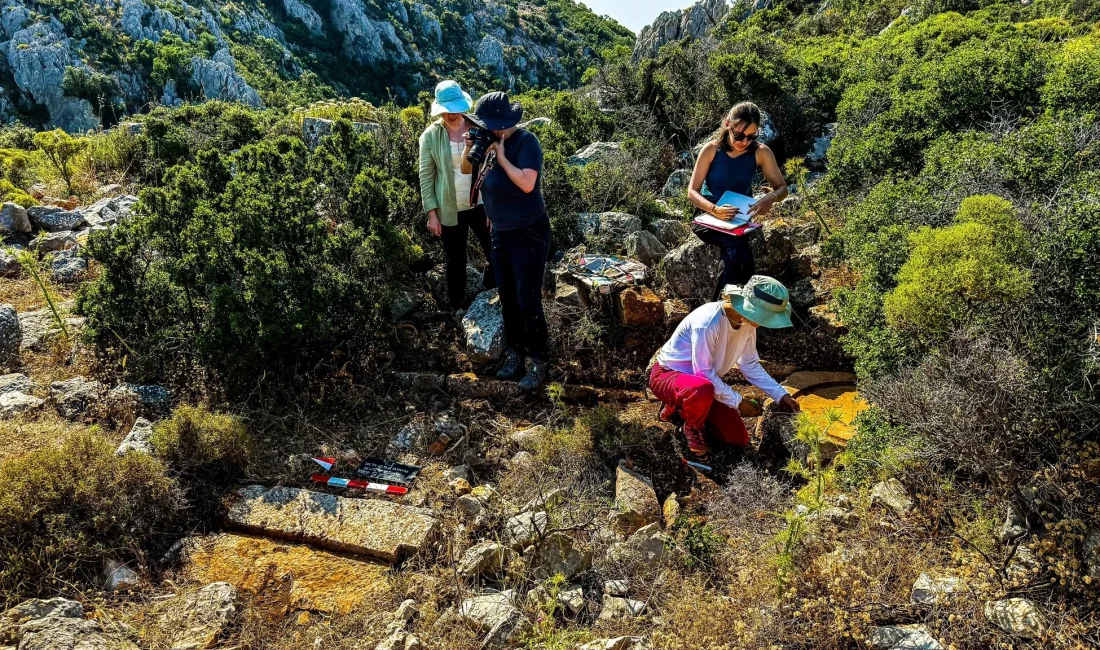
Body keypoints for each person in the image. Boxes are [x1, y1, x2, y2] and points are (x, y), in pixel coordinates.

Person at [649, 276, 800, 459]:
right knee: (702, 389)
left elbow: (749, 364)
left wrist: (780, 394)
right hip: (669, 377)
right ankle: (691, 426)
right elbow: (703, 373)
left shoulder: (747, 324)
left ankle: (681, 408)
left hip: (702, 387)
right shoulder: (708, 322)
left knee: (738, 438)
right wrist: (738, 401)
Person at [462, 91, 550, 391]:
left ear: (501, 123)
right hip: (500, 231)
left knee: (527, 298)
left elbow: (527, 183)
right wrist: (471, 148)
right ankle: (515, 353)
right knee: (507, 297)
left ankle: (538, 361)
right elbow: (466, 170)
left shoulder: (526, 142)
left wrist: (501, 157)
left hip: (529, 231)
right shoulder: (486, 141)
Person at [688, 102, 789, 301]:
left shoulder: (761, 152)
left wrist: (770, 198)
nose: (744, 142)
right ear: (728, 124)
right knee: (736, 245)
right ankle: (729, 305)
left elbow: (782, 188)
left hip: (739, 217)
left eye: (751, 137)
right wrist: (715, 209)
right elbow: (692, 192)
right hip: (707, 215)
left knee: (737, 246)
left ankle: (724, 306)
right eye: (740, 135)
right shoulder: (711, 150)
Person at [418, 80, 495, 318]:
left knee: (495, 250)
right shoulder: (430, 136)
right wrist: (432, 214)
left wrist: (495, 206)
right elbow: (426, 176)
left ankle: (493, 290)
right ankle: (457, 307)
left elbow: (493, 167)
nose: (453, 114)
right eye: (448, 110)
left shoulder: (479, 127)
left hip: (481, 203)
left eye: (456, 109)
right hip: (450, 207)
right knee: (456, 259)